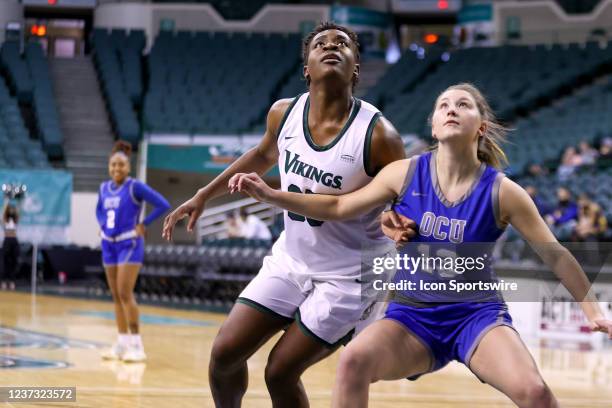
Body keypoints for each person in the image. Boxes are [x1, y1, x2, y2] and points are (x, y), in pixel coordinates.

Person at [230, 83, 612, 408]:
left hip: (475, 317)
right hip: (410, 317)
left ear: (480, 126)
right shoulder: (404, 172)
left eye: (463, 104)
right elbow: (338, 206)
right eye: (443, 105)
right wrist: (272, 194)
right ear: (433, 123)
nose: (451, 109)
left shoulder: (503, 192)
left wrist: (592, 311)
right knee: (354, 361)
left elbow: (556, 254)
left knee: (536, 392)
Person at [162, 22, 412, 407]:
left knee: (280, 372)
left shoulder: (380, 136)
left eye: (342, 44)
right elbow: (262, 155)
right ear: (306, 68)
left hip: (350, 274)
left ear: (355, 69)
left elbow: (405, 205)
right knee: (224, 354)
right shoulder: (284, 113)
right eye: (320, 44)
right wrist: (202, 195)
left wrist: (398, 226)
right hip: (293, 258)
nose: (331, 47)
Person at [97, 140, 170, 363]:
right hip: (108, 244)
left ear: (128, 167)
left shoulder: (134, 186)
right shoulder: (103, 188)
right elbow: (100, 212)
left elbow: (163, 204)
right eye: (113, 165)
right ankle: (121, 343)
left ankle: (137, 345)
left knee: (125, 293)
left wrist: (144, 223)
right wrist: (104, 229)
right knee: (116, 296)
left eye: (121, 165)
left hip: (130, 244)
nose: (116, 169)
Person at [2, 202, 19, 290]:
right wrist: (7, 202)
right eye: (10, 210)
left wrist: (15, 204)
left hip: (14, 240)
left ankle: (12, 281)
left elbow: (18, 212)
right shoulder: (5, 220)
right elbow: (4, 212)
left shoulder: (15, 220)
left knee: (13, 262)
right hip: (7, 240)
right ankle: (4, 281)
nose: (11, 211)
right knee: (5, 262)